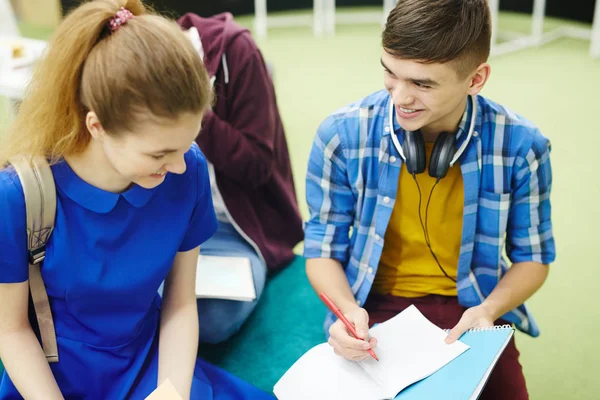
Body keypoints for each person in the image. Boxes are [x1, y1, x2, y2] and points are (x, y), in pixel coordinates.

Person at [0, 1, 275, 399]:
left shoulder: (188, 170)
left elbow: (180, 305)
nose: (180, 166)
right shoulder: (19, 194)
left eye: (187, 144)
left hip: (151, 365)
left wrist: (173, 392)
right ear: (96, 126)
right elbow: (11, 330)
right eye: (159, 154)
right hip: (53, 380)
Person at [303, 1, 555, 399]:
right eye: (390, 71)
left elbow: (534, 258)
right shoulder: (341, 135)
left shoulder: (522, 146)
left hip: (475, 308)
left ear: (476, 79)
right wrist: (348, 312)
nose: (399, 97)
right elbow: (321, 249)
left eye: (422, 83)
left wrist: (489, 310)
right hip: (372, 307)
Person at [176, 12, 303, 344]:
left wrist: (191, 112)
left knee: (210, 319)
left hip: (233, 229)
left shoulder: (235, 51)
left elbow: (259, 164)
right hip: (163, 227)